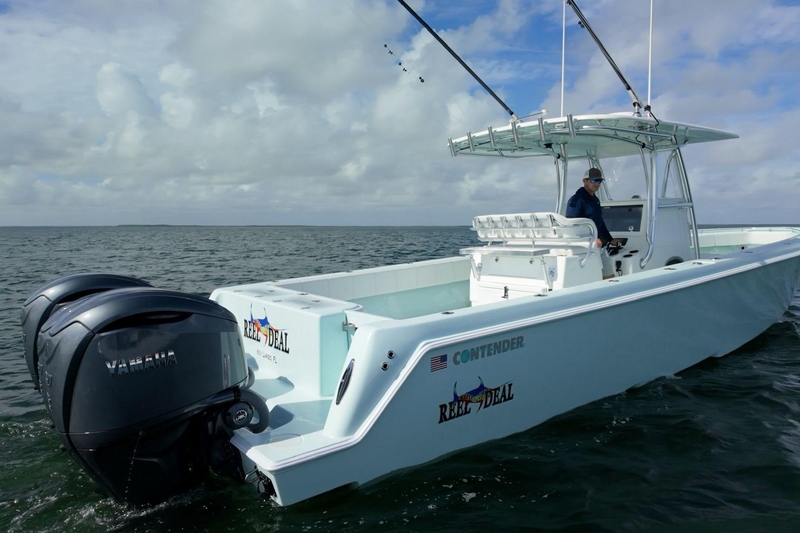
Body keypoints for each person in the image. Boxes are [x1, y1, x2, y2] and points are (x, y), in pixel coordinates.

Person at [566, 168, 620, 279]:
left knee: (609, 277)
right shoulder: (576, 200)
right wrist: (591, 238)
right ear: (584, 181)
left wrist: (610, 239)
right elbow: (572, 225)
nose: (596, 183)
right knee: (594, 278)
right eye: (593, 180)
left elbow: (600, 222)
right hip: (587, 248)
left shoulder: (595, 200)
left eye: (599, 181)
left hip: (600, 246)